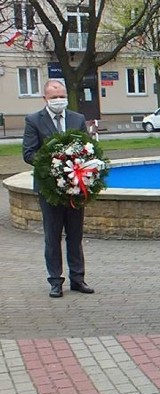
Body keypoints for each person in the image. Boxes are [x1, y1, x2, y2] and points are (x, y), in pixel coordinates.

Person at [22, 79, 94, 298]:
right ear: (45, 98)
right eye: (54, 97)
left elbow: (86, 148)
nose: (59, 100)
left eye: (61, 96)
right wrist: (54, 164)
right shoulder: (34, 120)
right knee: (52, 236)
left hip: (75, 187)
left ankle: (78, 279)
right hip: (49, 189)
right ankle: (55, 281)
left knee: (75, 235)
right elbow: (29, 153)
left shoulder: (77, 118)